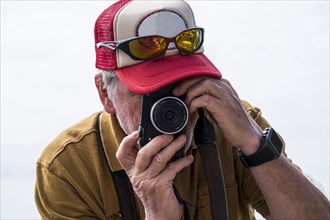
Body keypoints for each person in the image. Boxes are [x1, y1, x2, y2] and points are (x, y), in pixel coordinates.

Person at [35, 0, 330, 219]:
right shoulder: (67, 168)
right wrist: (157, 212)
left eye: (183, 85)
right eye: (149, 92)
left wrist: (257, 146)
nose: (173, 108)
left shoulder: (232, 124)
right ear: (105, 94)